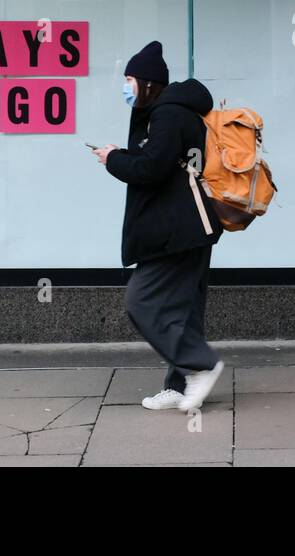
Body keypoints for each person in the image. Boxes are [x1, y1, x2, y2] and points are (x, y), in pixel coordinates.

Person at [93, 40, 225, 412]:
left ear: (148, 82)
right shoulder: (167, 112)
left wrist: (113, 159)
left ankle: (201, 366)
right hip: (188, 227)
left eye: (130, 78)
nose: (125, 85)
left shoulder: (167, 114)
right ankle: (181, 385)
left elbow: (151, 169)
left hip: (178, 230)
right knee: (183, 308)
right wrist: (124, 154)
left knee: (141, 301)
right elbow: (160, 161)